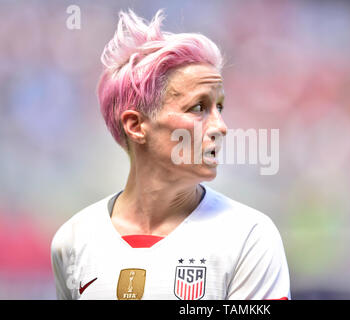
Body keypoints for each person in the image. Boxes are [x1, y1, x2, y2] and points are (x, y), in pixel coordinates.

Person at [51, 9, 290, 300]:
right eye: (199, 108)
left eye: (220, 107)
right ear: (136, 126)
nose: (221, 127)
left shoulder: (250, 236)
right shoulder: (73, 240)